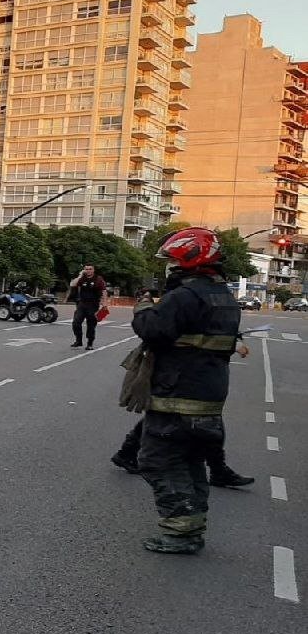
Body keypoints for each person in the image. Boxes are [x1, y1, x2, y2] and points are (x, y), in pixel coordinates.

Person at [131, 227, 241, 554]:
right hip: (208, 397)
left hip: (177, 395)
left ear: (189, 259)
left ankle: (181, 533)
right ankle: (192, 526)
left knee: (158, 461)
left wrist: (143, 305)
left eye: (172, 260)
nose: (169, 267)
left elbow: (153, 330)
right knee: (190, 461)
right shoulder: (224, 296)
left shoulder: (185, 296)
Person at [111, 340, 254, 488]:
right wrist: (233, 343)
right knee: (201, 416)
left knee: (177, 414)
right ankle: (217, 470)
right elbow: (189, 331)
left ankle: (127, 452)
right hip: (181, 366)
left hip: (188, 365)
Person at [69, 263, 108, 350]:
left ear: (93, 270)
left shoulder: (98, 279)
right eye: (86, 269)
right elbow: (72, 284)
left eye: (90, 269)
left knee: (91, 325)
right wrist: (80, 275)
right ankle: (78, 340)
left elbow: (104, 291)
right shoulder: (82, 278)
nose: (88, 271)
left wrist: (105, 303)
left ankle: (90, 343)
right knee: (76, 322)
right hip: (82, 304)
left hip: (93, 304)